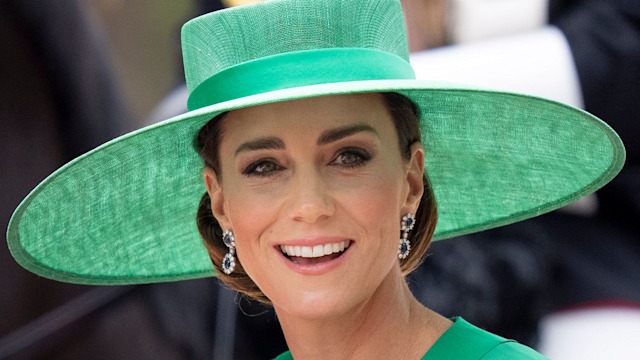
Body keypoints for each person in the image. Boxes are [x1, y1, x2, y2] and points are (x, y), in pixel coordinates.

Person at [6, 0, 624, 359]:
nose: (308, 206)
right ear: (218, 202)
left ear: (412, 179)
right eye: (262, 167)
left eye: (349, 156)